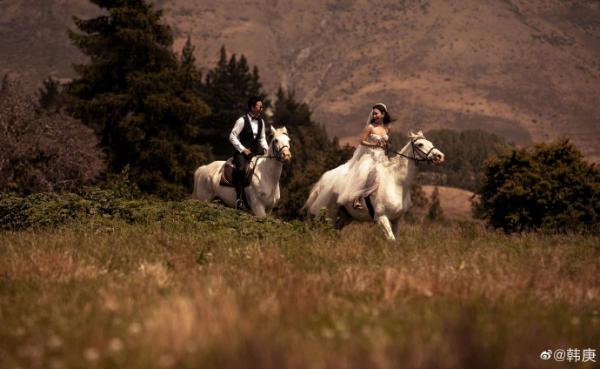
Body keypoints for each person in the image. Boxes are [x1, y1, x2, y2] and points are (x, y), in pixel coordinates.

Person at [337, 103, 392, 210]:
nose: (374, 116)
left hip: (382, 157)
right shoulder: (370, 127)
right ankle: (357, 199)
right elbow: (362, 141)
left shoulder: (387, 129)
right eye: (373, 114)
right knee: (364, 173)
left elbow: (388, 143)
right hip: (370, 156)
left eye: (376, 114)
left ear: (383, 114)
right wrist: (374, 145)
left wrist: (387, 146)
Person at [229, 96, 269, 210]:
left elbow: (262, 138)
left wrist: (266, 149)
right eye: (259, 106)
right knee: (241, 169)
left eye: (262, 106)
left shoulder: (261, 121)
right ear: (252, 107)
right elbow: (232, 136)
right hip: (241, 153)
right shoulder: (242, 120)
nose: (262, 108)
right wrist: (242, 149)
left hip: (255, 153)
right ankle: (239, 199)